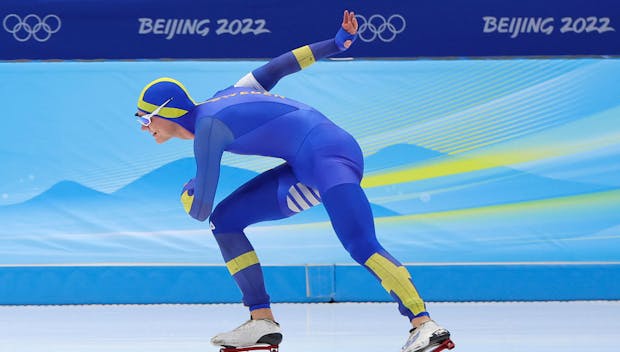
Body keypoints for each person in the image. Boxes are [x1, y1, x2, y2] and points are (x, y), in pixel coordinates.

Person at [134, 10, 453, 352]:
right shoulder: (226, 95)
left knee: (359, 242)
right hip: (303, 165)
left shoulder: (208, 130)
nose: (143, 127)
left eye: (146, 117)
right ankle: (261, 322)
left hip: (330, 156)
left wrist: (188, 195)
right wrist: (335, 43)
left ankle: (424, 323)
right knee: (225, 223)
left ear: (167, 113)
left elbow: (199, 208)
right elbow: (278, 67)